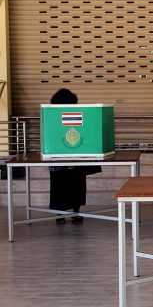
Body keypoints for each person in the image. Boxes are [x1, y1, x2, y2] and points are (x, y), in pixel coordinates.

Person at [49, 88, 101, 225]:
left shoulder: (61, 116)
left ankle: (69, 213)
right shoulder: (54, 117)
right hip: (60, 160)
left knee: (70, 186)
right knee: (64, 186)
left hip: (70, 159)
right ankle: (68, 213)